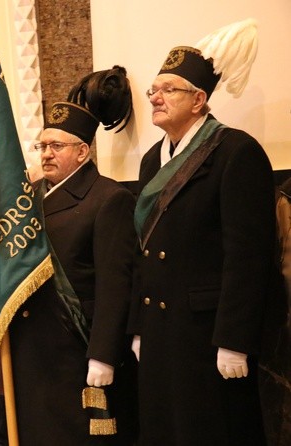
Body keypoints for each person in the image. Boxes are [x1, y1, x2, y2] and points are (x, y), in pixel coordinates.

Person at [129, 19, 273, 445]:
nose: (154, 97)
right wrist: (138, 327)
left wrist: (234, 340)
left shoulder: (235, 152)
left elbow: (248, 255)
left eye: (167, 89)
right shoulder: (152, 160)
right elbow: (143, 247)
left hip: (206, 334)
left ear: (199, 99)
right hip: (159, 330)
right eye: (153, 89)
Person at [8, 66, 138, 445]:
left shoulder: (108, 199)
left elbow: (116, 285)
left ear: (82, 151)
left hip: (75, 347)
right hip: (33, 345)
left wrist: (102, 355)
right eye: (42, 146)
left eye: (56, 147)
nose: (46, 154)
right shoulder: (28, 199)